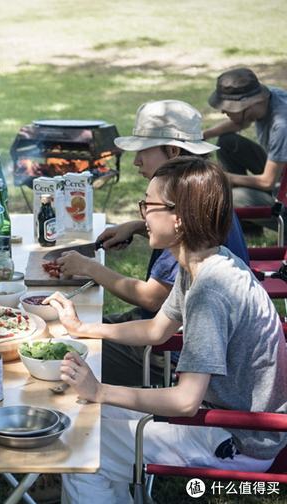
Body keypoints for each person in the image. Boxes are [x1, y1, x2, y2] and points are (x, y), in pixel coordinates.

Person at [47, 157, 287, 504]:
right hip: (228, 421)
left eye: (148, 204)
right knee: (83, 416)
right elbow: (158, 330)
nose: (142, 214)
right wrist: (83, 328)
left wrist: (100, 390)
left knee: (81, 447)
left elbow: (184, 401)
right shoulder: (204, 261)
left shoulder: (210, 291)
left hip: (237, 438)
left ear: (179, 219)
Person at [56, 100, 249, 386]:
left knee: (61, 354)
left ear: (172, 151)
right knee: (73, 333)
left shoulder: (199, 257)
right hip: (165, 330)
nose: (136, 162)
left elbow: (153, 298)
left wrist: (89, 267)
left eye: (142, 152)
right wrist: (138, 226)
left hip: (172, 355)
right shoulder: (201, 199)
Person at [203, 67, 287, 231]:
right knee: (228, 143)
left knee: (232, 196)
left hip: (281, 191)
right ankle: (250, 229)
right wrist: (205, 134)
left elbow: (267, 181)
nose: (223, 111)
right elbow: (241, 121)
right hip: (282, 177)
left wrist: (223, 178)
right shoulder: (267, 98)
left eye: (228, 110)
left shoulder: (282, 126)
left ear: (248, 105)